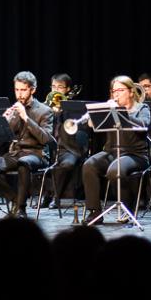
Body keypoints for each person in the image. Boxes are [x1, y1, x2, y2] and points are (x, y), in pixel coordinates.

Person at [0, 71, 53, 216]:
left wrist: (25, 117)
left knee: (24, 163)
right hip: (16, 152)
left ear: (32, 90)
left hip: (37, 153)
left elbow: (45, 139)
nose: (19, 94)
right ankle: (15, 199)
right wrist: (4, 122)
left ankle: (21, 208)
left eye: (23, 90)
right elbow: (1, 138)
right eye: (17, 90)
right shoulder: (14, 110)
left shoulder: (45, 111)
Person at [82, 75, 151, 223]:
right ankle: (95, 212)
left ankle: (128, 209)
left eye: (120, 90)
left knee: (115, 170)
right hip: (112, 152)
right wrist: (100, 113)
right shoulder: (111, 108)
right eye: (114, 91)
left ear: (131, 92)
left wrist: (121, 113)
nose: (116, 94)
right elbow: (91, 125)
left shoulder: (142, 108)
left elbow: (143, 126)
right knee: (89, 165)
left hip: (136, 155)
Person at [45, 73, 86, 209]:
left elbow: (76, 129)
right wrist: (53, 112)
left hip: (69, 148)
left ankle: (56, 197)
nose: (56, 90)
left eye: (60, 87)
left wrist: (63, 112)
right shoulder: (46, 107)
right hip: (50, 147)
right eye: (54, 86)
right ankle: (46, 195)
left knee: (67, 164)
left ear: (68, 89)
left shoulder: (74, 109)